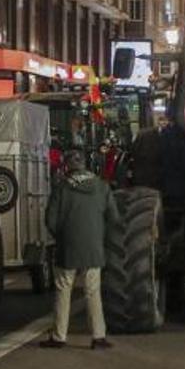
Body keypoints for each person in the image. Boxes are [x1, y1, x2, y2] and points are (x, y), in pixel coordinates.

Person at [41, 150, 120, 350]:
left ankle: (59, 336)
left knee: (63, 289)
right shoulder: (102, 187)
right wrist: (100, 237)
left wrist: (62, 236)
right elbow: (114, 218)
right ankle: (98, 336)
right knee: (92, 291)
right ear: (85, 166)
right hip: (94, 248)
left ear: (67, 167)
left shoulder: (61, 188)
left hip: (67, 248)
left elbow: (50, 220)